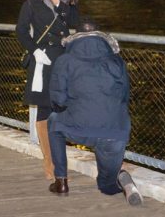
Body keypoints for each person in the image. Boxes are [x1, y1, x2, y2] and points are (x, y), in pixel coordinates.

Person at [46, 21, 143, 206]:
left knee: (53, 122)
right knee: (107, 187)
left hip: (79, 128)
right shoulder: (116, 61)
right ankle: (122, 180)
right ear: (102, 37)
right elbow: (124, 97)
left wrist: (70, 110)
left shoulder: (64, 60)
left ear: (75, 38)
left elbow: (57, 100)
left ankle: (61, 181)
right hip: (114, 133)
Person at [16, 0, 80, 180]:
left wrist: (58, 2)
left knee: (63, 107)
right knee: (45, 109)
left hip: (64, 60)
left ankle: (59, 160)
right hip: (43, 60)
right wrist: (34, 52)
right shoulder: (32, 3)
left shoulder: (67, 1)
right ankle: (50, 163)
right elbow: (21, 31)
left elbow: (72, 24)